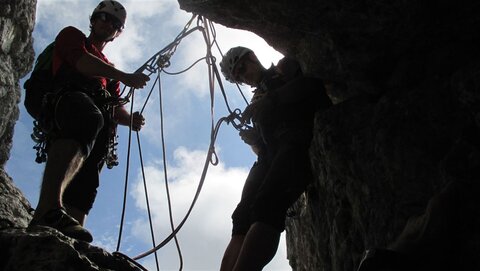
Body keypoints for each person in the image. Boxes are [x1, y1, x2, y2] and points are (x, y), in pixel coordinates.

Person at [27, 0, 150, 243]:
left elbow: (115, 107)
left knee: (97, 153)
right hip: (54, 94)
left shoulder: (108, 72)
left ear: (118, 32)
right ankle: (47, 210)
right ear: (93, 20)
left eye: (115, 23)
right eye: (104, 18)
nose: (108, 24)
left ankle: (72, 232)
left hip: (84, 107)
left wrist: (130, 120)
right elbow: (82, 63)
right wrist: (124, 76)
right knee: (88, 117)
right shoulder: (72, 36)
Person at [219, 47, 332, 270]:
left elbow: (312, 85)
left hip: (296, 139)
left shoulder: (283, 69)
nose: (243, 76)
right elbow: (263, 148)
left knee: (267, 204)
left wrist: (271, 100)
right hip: (270, 155)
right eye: (238, 77)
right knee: (242, 216)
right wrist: (253, 139)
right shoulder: (256, 101)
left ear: (252, 57)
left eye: (241, 68)